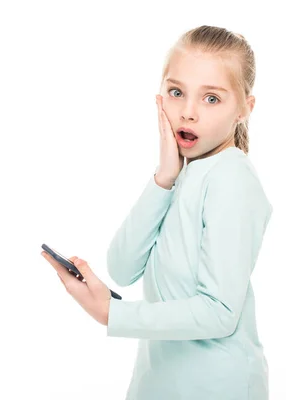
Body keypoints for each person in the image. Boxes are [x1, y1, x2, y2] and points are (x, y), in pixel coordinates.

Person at [42, 25, 273, 399]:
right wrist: (164, 179)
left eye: (211, 98)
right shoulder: (182, 173)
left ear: (244, 109)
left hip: (215, 387)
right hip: (159, 384)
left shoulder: (232, 179)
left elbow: (220, 312)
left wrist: (111, 314)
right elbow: (123, 266)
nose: (188, 112)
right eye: (176, 92)